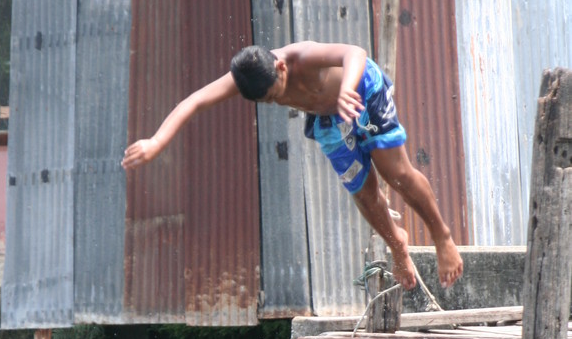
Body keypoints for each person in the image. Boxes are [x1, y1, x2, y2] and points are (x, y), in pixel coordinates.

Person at [122, 41, 463, 291]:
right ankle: (398, 246)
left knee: (396, 175)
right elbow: (192, 102)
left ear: (281, 68)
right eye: (267, 101)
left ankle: (441, 236)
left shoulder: (300, 56)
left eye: (274, 93)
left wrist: (345, 90)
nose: (274, 101)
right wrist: (156, 142)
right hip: (327, 118)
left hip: (360, 92)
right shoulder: (243, 78)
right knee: (362, 190)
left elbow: (354, 53)